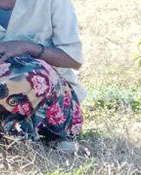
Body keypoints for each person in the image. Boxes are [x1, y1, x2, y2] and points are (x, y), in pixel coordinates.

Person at [0, 0, 83, 148]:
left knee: (34, 74)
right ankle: (14, 134)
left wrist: (28, 47)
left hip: (50, 98)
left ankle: (51, 135)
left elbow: (74, 59)